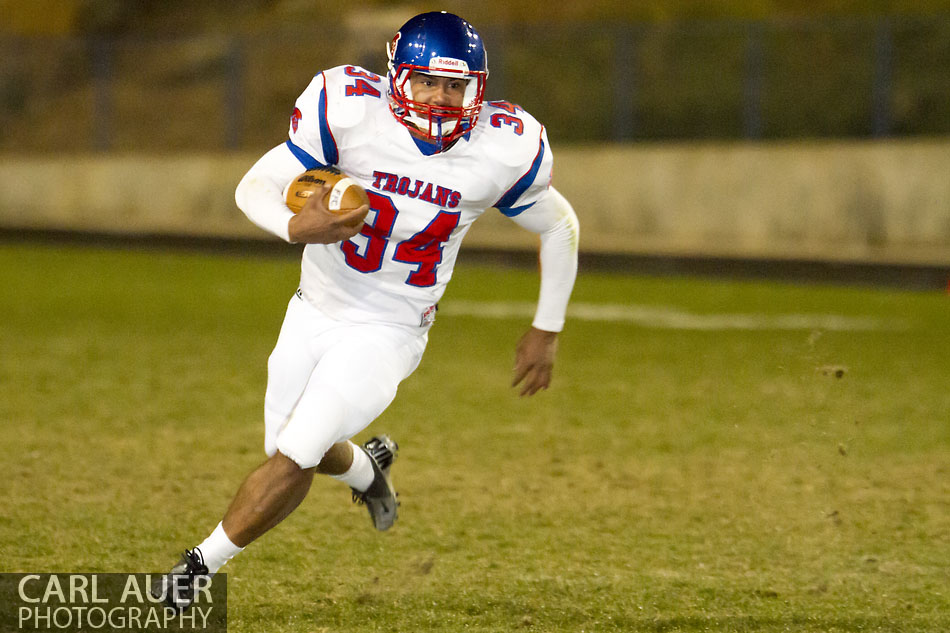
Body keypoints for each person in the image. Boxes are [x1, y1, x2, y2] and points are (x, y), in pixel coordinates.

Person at [152, 10, 579, 611]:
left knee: (297, 450)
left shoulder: (502, 148)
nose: (440, 99)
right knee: (291, 444)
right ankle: (368, 472)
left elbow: (560, 226)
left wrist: (546, 327)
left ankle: (195, 570)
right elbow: (253, 186)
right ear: (395, 76)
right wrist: (296, 225)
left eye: (455, 86)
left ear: (477, 90)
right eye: (428, 82)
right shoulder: (350, 110)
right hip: (313, 308)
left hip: (391, 327)